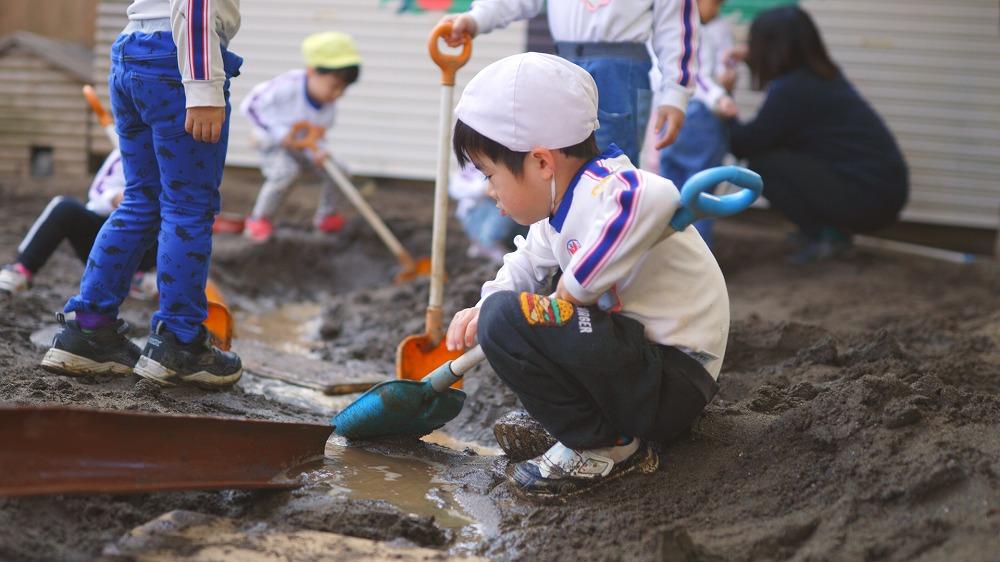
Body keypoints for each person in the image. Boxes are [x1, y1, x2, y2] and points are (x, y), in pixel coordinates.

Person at [444, 53, 727, 499]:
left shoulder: (611, 189)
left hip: (673, 379)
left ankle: (607, 446)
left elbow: (654, 193)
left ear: (541, 163)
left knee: (510, 319)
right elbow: (524, 263)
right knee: (502, 312)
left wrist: (574, 289)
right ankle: (593, 425)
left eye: (490, 174)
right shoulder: (559, 210)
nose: (488, 190)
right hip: (637, 365)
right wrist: (484, 304)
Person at [41, 0, 244, 388]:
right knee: (187, 208)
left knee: (141, 200)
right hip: (179, 60)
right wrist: (203, 86)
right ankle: (180, 343)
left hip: (132, 50)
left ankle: (89, 332)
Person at [728, 6, 908, 263]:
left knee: (763, 167)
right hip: (881, 191)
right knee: (776, 159)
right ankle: (827, 234)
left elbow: (745, 143)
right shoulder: (820, 77)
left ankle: (826, 238)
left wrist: (725, 104)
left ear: (772, 47)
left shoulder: (793, 90)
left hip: (869, 197)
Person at [440, 0, 700, 165]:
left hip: (620, 71)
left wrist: (676, 92)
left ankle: (609, 247)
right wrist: (475, 19)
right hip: (564, 64)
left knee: (611, 168)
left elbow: (677, 26)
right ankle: (564, 247)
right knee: (556, 164)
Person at [241, 32, 362, 243]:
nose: (337, 94)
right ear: (312, 71)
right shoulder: (287, 87)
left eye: (343, 89)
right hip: (270, 140)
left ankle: (326, 216)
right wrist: (280, 133)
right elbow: (251, 106)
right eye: (334, 86)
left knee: (340, 171)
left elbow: (317, 134)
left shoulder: (328, 106)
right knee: (286, 172)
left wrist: (318, 150)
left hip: (302, 145)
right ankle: (259, 220)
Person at [0, 150, 157, 299]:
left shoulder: (179, 153)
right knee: (65, 208)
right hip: (116, 242)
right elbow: (97, 197)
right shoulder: (130, 147)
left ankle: (150, 278)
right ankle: (21, 270)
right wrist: (118, 197)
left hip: (161, 248)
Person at [659, 0, 735, 248]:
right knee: (699, 192)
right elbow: (696, 77)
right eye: (713, 2)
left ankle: (676, 254)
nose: (716, 8)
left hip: (678, 110)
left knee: (677, 192)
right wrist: (720, 97)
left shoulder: (712, 27)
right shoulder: (690, 28)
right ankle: (695, 255)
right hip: (696, 114)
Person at [449, 162, 528, 263]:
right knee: (483, 226)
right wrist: (481, 190)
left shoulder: (495, 160)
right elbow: (454, 188)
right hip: (477, 209)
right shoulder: (469, 166)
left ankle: (491, 243)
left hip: (504, 208)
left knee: (516, 226)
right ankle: (486, 244)